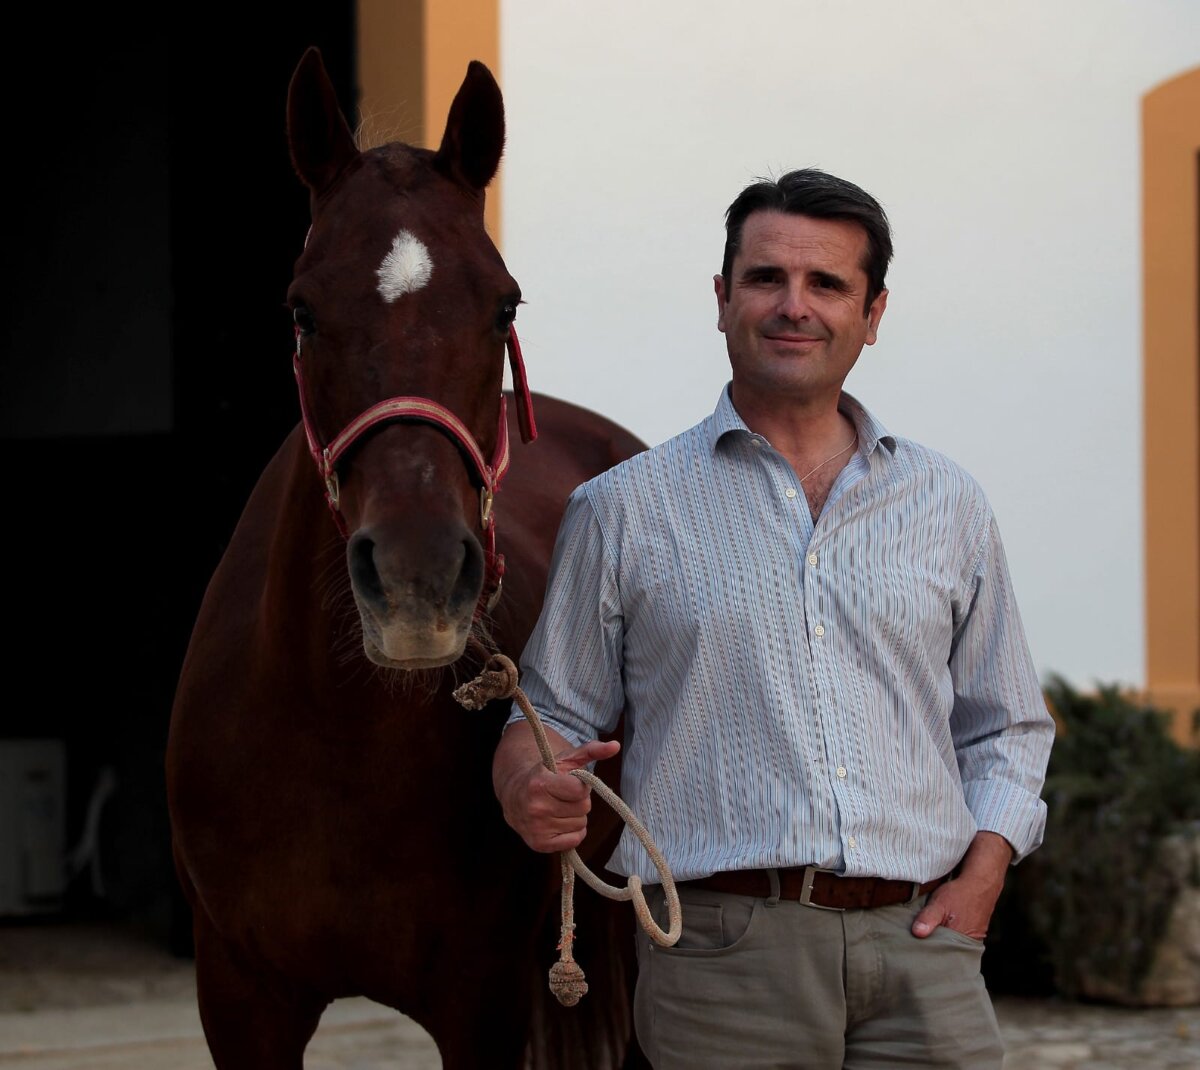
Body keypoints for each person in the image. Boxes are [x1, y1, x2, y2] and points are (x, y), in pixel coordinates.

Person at [493, 168, 1054, 1068]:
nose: (795, 306)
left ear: (872, 315)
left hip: (927, 952)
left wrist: (983, 874)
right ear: (722, 300)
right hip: (723, 959)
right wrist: (528, 787)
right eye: (766, 279)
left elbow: (1009, 725)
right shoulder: (623, 510)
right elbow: (549, 716)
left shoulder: (950, 503)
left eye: (827, 284)